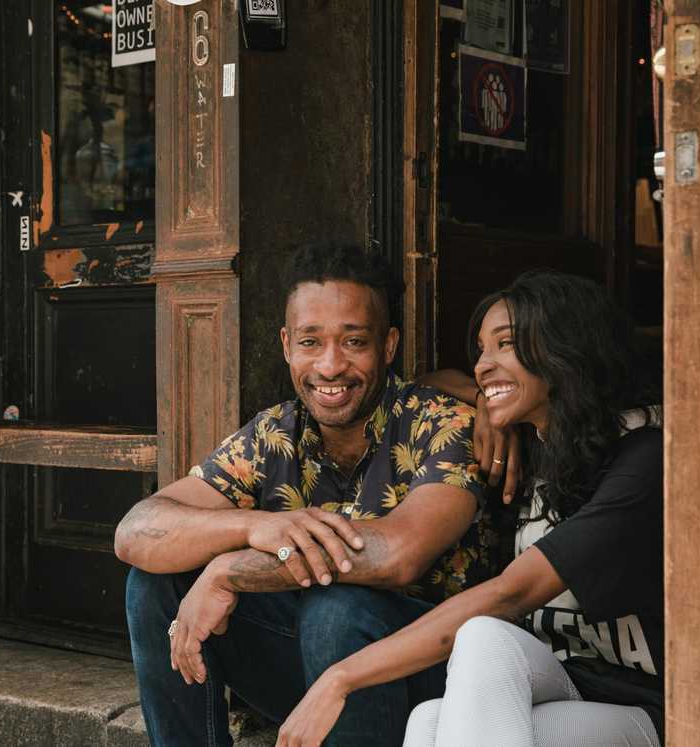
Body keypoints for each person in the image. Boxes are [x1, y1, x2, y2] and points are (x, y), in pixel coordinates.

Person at [115, 243, 502, 746]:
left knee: (336, 609)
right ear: (286, 345)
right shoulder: (275, 433)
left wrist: (228, 569)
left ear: (388, 345)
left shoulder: (443, 423)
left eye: (354, 342)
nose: (330, 366)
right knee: (155, 584)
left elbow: (398, 553)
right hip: (318, 677)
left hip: (436, 681)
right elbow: (136, 530)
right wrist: (255, 526)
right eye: (310, 342)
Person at [276, 270, 664, 747]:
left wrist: (340, 678)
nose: (484, 364)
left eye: (506, 344)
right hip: (565, 681)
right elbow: (431, 381)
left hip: (647, 706)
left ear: (566, 348)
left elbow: (511, 595)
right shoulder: (539, 443)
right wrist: (483, 401)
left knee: (484, 637)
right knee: (428, 719)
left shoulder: (644, 460)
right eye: (482, 349)